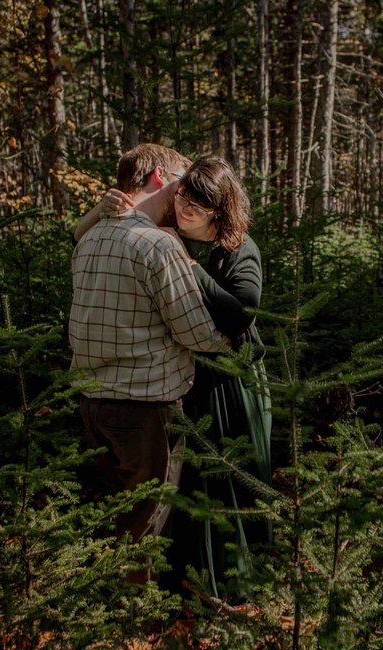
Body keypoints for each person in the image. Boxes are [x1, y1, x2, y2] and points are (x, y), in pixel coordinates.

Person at [79, 156, 272, 597]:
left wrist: (190, 266)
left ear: (221, 212)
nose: (187, 209)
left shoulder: (237, 249)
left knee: (226, 477)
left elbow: (242, 313)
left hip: (231, 380)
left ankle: (233, 579)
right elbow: (99, 234)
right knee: (185, 484)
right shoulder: (164, 233)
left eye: (201, 206)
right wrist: (97, 211)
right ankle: (182, 577)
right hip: (188, 379)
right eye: (185, 196)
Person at [68, 144, 226, 580]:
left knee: (115, 510)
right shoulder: (157, 244)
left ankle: (99, 604)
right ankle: (134, 625)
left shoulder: (91, 236)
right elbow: (197, 334)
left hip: (92, 403)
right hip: (146, 408)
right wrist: (237, 343)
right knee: (147, 521)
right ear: (161, 177)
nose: (187, 192)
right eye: (183, 179)